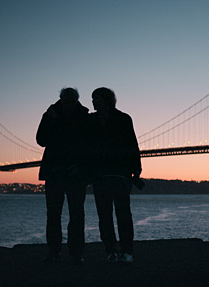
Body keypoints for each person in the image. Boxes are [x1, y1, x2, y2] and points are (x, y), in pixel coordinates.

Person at [36, 87, 89, 265]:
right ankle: (60, 252)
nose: (68, 105)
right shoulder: (51, 114)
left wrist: (80, 165)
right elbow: (41, 140)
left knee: (72, 214)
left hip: (72, 172)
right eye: (66, 101)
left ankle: (71, 253)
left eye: (70, 101)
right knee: (58, 214)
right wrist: (52, 122)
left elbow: (88, 144)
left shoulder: (83, 116)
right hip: (58, 172)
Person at [89, 87, 142, 263]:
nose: (93, 102)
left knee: (122, 214)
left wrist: (136, 169)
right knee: (105, 215)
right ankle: (110, 250)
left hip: (118, 175)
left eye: (96, 99)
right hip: (101, 175)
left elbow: (132, 145)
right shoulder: (90, 120)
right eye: (92, 98)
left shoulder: (124, 119)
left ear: (107, 100)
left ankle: (126, 251)